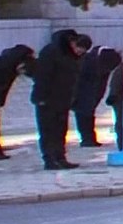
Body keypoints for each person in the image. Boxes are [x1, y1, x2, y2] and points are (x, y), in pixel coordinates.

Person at [31, 30, 91, 170]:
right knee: (48, 130)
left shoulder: (74, 57)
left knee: (60, 129)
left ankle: (60, 157)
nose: (79, 53)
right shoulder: (51, 52)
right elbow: (42, 76)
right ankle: (49, 159)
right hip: (47, 98)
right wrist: (40, 97)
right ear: (73, 43)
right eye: (79, 49)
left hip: (64, 98)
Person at [71, 46, 123, 147]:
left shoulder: (105, 59)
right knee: (84, 113)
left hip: (90, 92)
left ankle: (88, 138)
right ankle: (87, 138)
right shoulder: (86, 62)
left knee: (87, 112)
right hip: (80, 91)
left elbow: (102, 82)